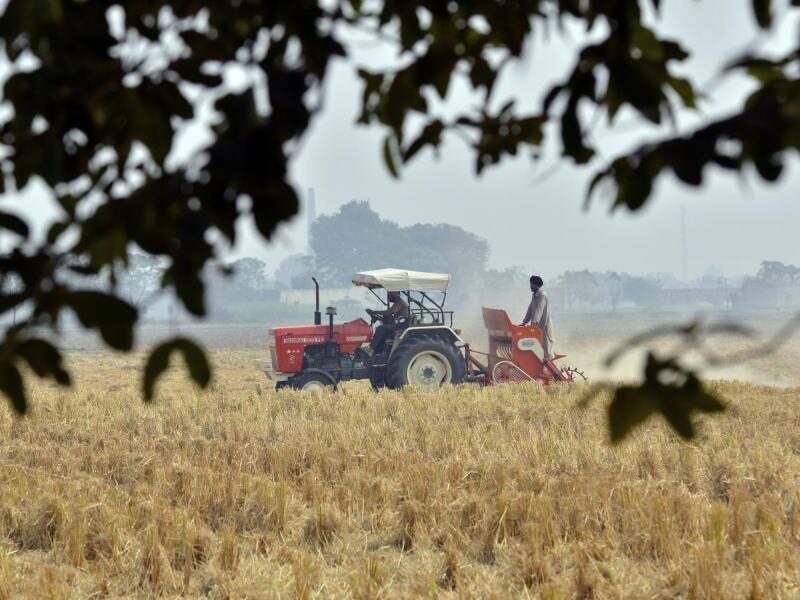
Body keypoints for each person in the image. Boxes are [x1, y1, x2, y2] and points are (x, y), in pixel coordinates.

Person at [521, 275, 555, 360]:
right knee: (539, 346)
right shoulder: (534, 295)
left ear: (536, 285)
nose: (530, 286)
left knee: (546, 349)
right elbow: (531, 308)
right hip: (537, 326)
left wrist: (533, 322)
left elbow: (539, 309)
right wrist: (524, 322)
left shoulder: (542, 295)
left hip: (544, 324)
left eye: (531, 284)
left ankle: (549, 365)